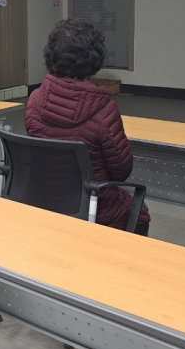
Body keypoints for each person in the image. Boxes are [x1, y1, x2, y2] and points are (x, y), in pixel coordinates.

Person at [25, 18, 150, 234]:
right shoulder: (104, 109)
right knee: (139, 211)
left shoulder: (34, 99)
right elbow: (121, 171)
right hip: (93, 203)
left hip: (45, 197)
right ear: (94, 61)